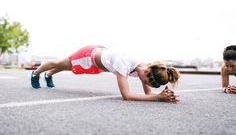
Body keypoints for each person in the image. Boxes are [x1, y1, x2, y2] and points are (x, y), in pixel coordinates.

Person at [31, 45, 180, 102]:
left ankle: (49, 75)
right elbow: (126, 96)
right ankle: (36, 73)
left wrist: (163, 95)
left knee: (68, 67)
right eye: (148, 82)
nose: (147, 85)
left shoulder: (144, 68)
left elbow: (149, 94)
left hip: (99, 60)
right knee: (60, 64)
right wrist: (158, 98)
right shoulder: (125, 63)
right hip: (88, 56)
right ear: (148, 72)